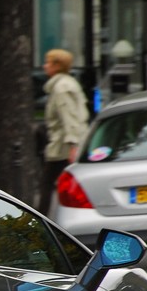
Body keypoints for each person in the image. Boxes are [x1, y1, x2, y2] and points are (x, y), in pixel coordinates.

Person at [39, 48, 89, 215]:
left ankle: (39, 220)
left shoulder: (61, 88)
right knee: (65, 184)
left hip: (63, 146)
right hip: (66, 143)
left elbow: (69, 117)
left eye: (48, 62)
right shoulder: (68, 84)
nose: (44, 66)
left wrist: (73, 145)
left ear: (57, 66)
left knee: (47, 183)